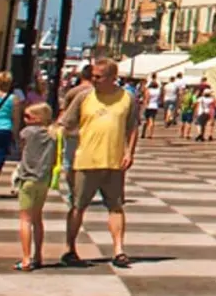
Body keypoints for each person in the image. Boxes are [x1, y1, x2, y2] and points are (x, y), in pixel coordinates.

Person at [60, 58, 139, 269]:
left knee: (115, 206)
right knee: (78, 206)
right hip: (86, 160)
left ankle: (119, 250)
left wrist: (129, 152)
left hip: (114, 161)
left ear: (113, 78)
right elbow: (66, 123)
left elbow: (132, 127)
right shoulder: (84, 96)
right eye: (93, 75)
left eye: (98, 76)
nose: (93, 80)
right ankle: (70, 248)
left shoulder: (127, 98)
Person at [12, 101, 58, 272]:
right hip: (44, 180)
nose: (24, 119)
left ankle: (25, 258)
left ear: (38, 118)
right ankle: (38, 255)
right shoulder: (53, 134)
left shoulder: (27, 132)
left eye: (28, 116)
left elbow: (21, 147)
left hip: (28, 178)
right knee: (38, 219)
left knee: (25, 219)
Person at [59, 63, 95, 208]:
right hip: (90, 133)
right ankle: (82, 191)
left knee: (69, 163)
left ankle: (72, 190)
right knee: (88, 163)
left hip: (72, 131)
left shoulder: (72, 92)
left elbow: (63, 113)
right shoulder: (95, 92)